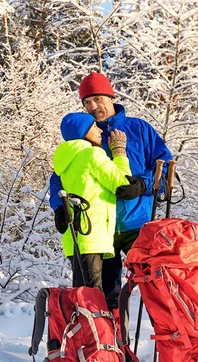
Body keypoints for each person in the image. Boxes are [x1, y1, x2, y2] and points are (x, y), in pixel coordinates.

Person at [49, 72, 173, 312]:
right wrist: (58, 206)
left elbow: (165, 165)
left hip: (136, 223)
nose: (93, 106)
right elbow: (58, 177)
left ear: (110, 96)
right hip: (99, 230)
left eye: (97, 99)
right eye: (87, 102)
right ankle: (113, 347)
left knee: (157, 289)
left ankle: (170, 342)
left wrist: (143, 184)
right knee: (107, 297)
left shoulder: (139, 129)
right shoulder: (83, 138)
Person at [53, 112, 131, 289]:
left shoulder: (67, 159)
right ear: (83, 132)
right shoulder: (91, 154)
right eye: (94, 126)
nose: (100, 131)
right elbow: (123, 184)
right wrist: (119, 153)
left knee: (84, 294)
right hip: (92, 233)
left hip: (76, 236)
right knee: (92, 299)